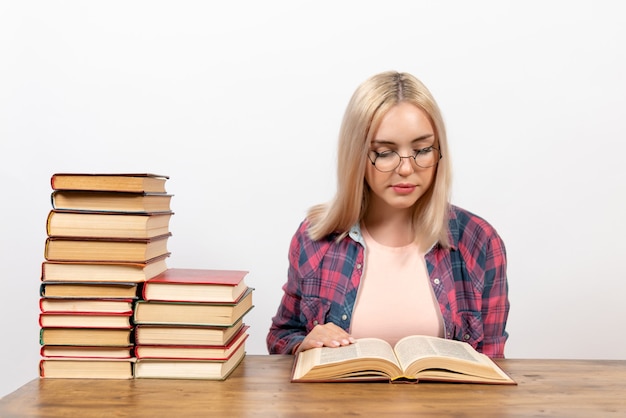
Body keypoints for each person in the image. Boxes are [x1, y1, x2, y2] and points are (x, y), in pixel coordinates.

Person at [266, 71, 510, 358]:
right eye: (384, 153)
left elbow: (493, 364)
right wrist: (304, 343)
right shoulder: (315, 238)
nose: (406, 168)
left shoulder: (479, 241)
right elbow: (281, 337)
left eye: (422, 150)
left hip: (449, 405)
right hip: (337, 403)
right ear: (356, 155)